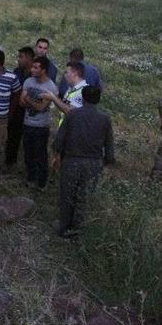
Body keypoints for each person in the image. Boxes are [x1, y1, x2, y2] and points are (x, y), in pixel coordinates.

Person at [52, 86, 115, 238]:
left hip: (72, 160)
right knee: (83, 197)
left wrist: (56, 154)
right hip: (93, 163)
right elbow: (109, 143)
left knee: (67, 195)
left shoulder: (73, 114)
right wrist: (108, 161)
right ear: (98, 99)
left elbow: (60, 138)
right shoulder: (105, 119)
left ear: (83, 98)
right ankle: (76, 229)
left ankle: (64, 227)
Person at [19, 56, 58, 189]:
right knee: (28, 153)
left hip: (41, 126)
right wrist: (31, 102)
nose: (32, 69)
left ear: (44, 70)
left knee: (41, 154)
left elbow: (41, 108)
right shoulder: (28, 81)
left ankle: (41, 182)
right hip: (27, 123)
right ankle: (30, 177)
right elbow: (21, 101)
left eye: (36, 67)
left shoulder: (50, 87)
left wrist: (28, 99)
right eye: (32, 67)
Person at [5, 46, 34, 168]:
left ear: (29, 58)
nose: (18, 59)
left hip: (30, 112)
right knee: (12, 137)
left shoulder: (35, 75)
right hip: (16, 110)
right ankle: (10, 162)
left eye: (21, 57)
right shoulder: (16, 72)